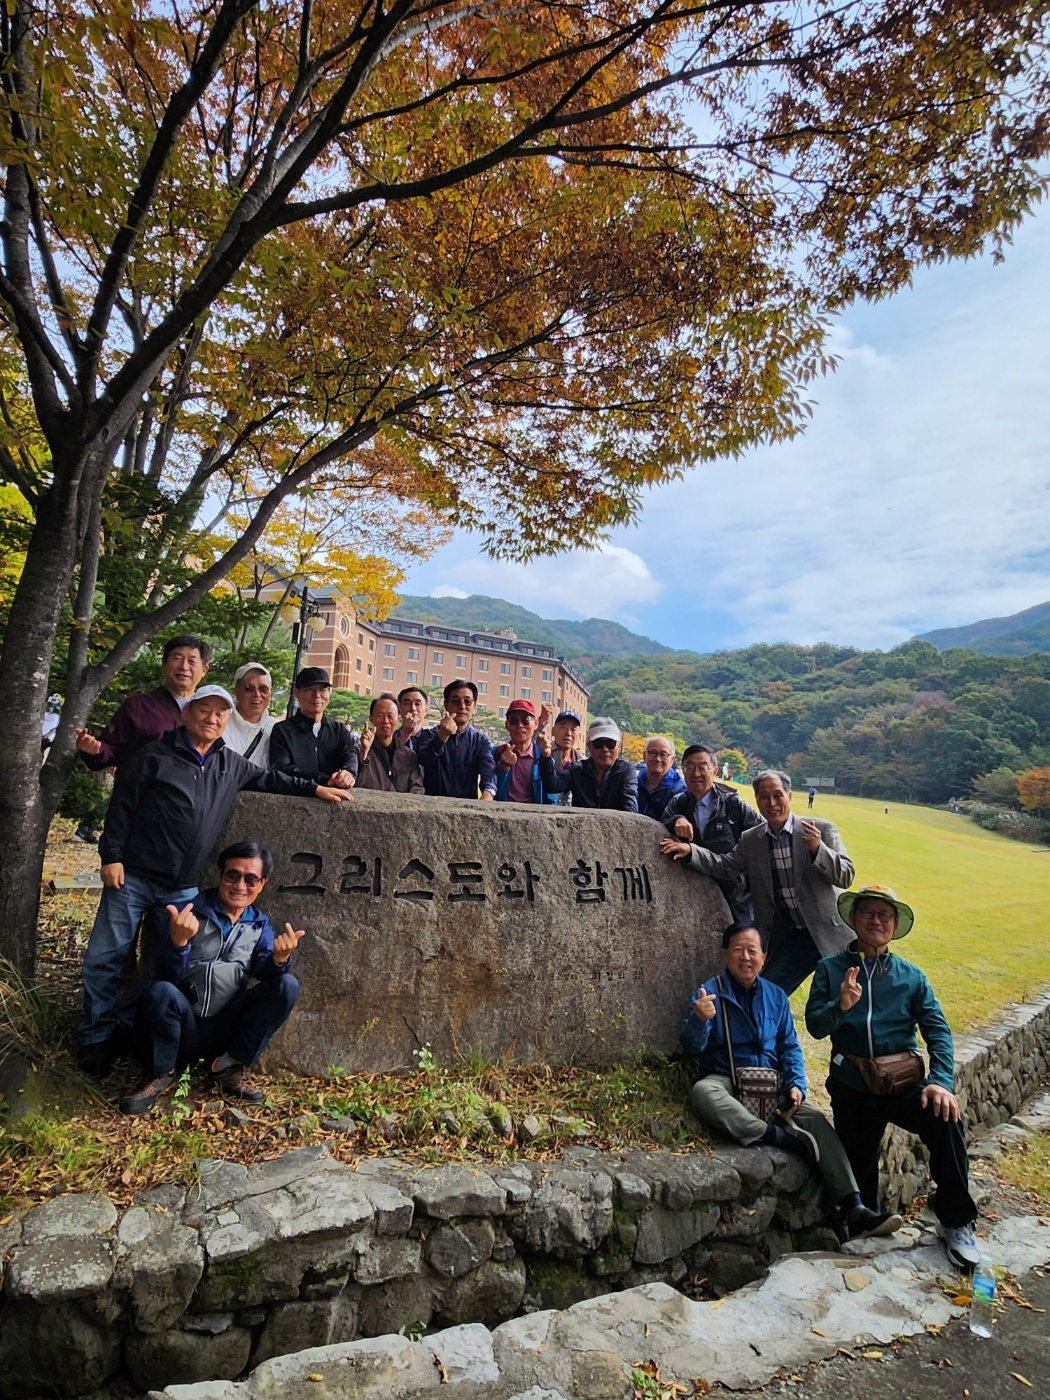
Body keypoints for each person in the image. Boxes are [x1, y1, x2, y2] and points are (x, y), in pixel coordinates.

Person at [76, 685, 351, 1075]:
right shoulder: (153, 756)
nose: (212, 718)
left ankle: (140, 1035)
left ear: (227, 720)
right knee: (106, 958)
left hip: (182, 885)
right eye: (204, 710)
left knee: (171, 966)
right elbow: (122, 805)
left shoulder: (230, 763)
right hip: (134, 876)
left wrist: (316, 788)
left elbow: (271, 779)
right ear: (188, 714)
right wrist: (112, 856)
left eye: (220, 713)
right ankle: (94, 1039)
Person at [682, 922, 901, 1240]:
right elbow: (691, 1047)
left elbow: (789, 1047)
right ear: (725, 953)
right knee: (704, 1091)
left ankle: (855, 1207)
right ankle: (773, 1136)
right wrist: (699, 1020)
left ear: (764, 957)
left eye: (752, 951)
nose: (746, 957)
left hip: (772, 1083)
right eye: (738, 949)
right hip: (727, 1080)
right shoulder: (709, 992)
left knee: (815, 1120)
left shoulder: (775, 996)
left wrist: (796, 1083)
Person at [805, 885, 980, 1270]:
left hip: (902, 1083)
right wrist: (842, 1004)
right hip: (852, 1084)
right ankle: (867, 1230)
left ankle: (956, 1221)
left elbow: (938, 1030)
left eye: (885, 915)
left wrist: (941, 1081)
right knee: (860, 1164)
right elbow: (816, 1026)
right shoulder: (830, 968)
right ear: (853, 919)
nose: (876, 921)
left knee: (946, 1120)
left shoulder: (911, 977)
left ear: (895, 924)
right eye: (867, 913)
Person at [121, 842, 302, 1115]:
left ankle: (228, 1066)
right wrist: (178, 942)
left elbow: (264, 972)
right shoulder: (190, 912)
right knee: (161, 992)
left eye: (251, 879)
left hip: (225, 1022)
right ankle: (161, 1071)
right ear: (220, 875)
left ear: (262, 883)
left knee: (287, 985)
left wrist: (279, 959)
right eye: (233, 875)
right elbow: (165, 974)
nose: (240, 885)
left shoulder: (259, 923)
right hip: (183, 1023)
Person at [661, 769, 853, 994]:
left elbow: (846, 876)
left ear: (789, 797)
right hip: (791, 939)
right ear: (756, 800)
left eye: (777, 795)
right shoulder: (752, 840)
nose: (771, 803)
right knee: (763, 995)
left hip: (829, 932)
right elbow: (724, 866)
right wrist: (691, 850)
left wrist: (818, 850)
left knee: (846, 1001)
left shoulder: (820, 830)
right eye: (764, 796)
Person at [75, 634, 211, 771]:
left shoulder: (212, 714)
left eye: (192, 661)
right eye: (177, 658)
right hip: (139, 790)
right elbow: (112, 751)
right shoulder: (137, 705)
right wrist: (94, 749)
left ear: (204, 670)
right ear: (164, 664)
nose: (183, 667)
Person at [660, 744, 762, 922]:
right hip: (693, 895)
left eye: (702, 767)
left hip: (735, 897)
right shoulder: (679, 803)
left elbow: (762, 834)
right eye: (689, 767)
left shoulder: (734, 805)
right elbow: (660, 826)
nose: (696, 773)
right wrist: (676, 819)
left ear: (714, 771)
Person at [269, 666, 357, 787]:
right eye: (310, 689)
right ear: (297, 693)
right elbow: (282, 769)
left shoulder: (339, 731)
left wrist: (348, 773)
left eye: (323, 690)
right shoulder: (282, 731)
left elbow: (350, 756)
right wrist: (323, 780)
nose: (317, 695)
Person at [416, 680, 497, 799]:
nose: (462, 706)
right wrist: (441, 737)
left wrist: (487, 795)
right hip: (433, 806)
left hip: (467, 808)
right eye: (456, 701)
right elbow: (423, 760)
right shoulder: (429, 734)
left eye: (467, 701)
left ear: (474, 706)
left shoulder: (480, 741)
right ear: (446, 704)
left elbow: (489, 773)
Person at [537, 717, 638, 811]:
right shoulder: (577, 769)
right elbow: (552, 785)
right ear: (589, 746)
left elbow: (630, 807)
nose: (605, 749)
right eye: (598, 743)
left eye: (610, 743)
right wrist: (546, 756)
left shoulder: (626, 771)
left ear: (618, 746)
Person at [356, 693, 425, 792]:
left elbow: (417, 788)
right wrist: (364, 754)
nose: (385, 721)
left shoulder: (408, 755)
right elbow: (355, 785)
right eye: (380, 716)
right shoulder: (359, 751)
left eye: (390, 716)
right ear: (371, 719)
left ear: (398, 720)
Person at [493, 700, 551, 804]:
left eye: (526, 720)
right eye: (514, 721)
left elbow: (551, 799)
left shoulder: (544, 757)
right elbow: (490, 790)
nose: (520, 725)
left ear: (536, 724)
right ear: (507, 725)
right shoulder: (496, 753)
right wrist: (502, 768)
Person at [223, 663, 278, 768]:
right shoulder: (221, 724)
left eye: (263, 689)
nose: (257, 694)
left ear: (270, 692)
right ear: (236, 692)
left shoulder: (275, 728)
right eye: (249, 688)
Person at [635, 735, 685, 820]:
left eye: (663, 754)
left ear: (672, 760)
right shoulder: (633, 783)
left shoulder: (680, 789)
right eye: (653, 753)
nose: (657, 759)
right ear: (644, 755)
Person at [548, 708, 583, 805]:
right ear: (553, 731)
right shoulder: (542, 754)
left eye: (573, 729)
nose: (568, 733)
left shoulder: (582, 762)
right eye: (563, 727)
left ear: (578, 736)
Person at [396, 685, 430, 750]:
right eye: (407, 703)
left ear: (426, 711)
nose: (413, 708)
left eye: (417, 704)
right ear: (399, 709)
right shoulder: (391, 738)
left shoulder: (432, 738)